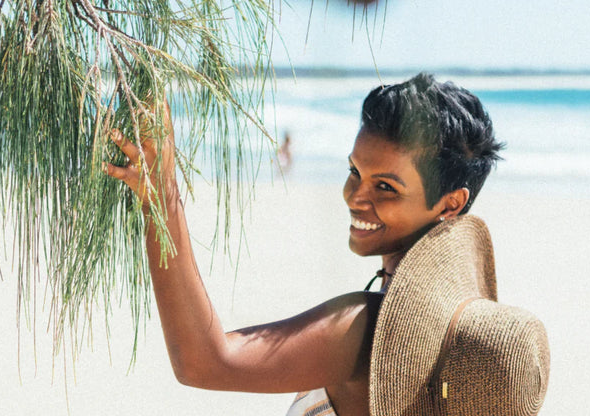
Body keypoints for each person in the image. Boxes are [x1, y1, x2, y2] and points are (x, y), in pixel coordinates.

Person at [102, 73, 548, 416]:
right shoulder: (454, 337)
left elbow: (204, 360)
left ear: (450, 204)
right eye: (355, 171)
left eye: (386, 187)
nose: (356, 196)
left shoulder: (365, 331)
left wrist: (160, 194)